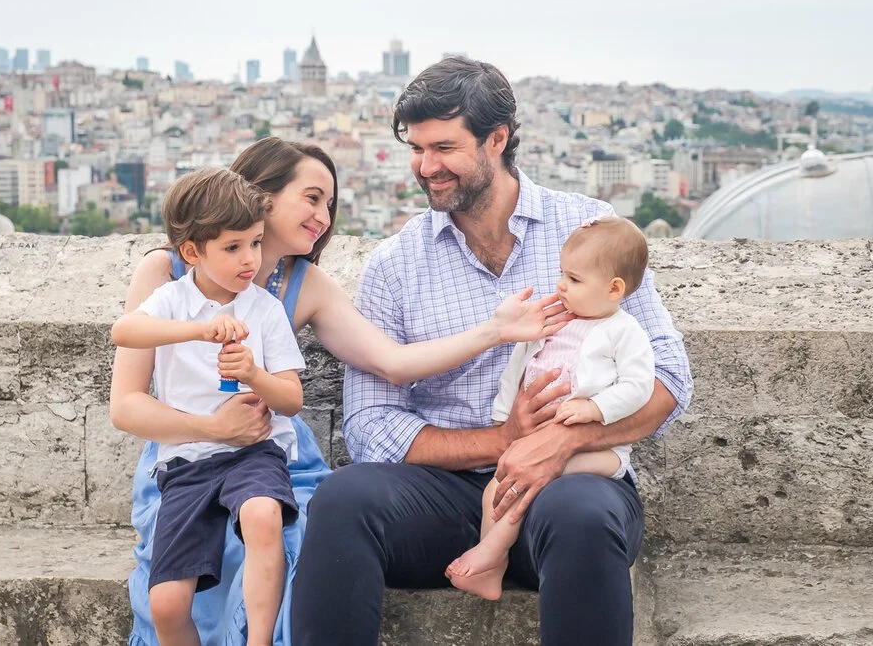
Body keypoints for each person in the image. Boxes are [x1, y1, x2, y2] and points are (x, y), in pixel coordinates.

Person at [290, 57, 693, 646]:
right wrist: (502, 443)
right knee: (343, 500)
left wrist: (558, 442)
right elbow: (371, 427)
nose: (426, 167)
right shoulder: (397, 263)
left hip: (568, 484)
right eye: (416, 148)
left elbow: (668, 381)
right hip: (447, 497)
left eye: (444, 147)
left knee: (583, 514)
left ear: (497, 139)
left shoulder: (588, 227)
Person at [110, 137, 573, 645]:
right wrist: (211, 427)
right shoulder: (167, 274)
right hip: (185, 454)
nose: (323, 217)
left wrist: (495, 330)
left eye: (330, 204)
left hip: (273, 457)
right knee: (198, 568)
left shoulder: (301, 284)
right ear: (261, 196)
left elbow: (393, 363)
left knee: (295, 534)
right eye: (312, 198)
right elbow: (127, 404)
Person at [112, 168, 308, 646]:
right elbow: (124, 331)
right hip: (187, 462)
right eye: (234, 247)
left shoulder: (262, 309)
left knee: (262, 514)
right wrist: (198, 329)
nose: (250, 260)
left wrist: (255, 375)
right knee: (166, 604)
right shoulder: (172, 301)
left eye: (256, 244)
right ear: (192, 252)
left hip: (254, 453)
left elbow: (292, 398)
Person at [447, 215, 656, 601]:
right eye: (563, 274)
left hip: (598, 454)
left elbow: (638, 386)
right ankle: (489, 566)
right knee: (497, 485)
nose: (561, 285)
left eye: (574, 280)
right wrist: (503, 415)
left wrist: (596, 408)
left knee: (524, 484)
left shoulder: (624, 331)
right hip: (531, 442)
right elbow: (518, 367)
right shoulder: (555, 322)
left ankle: (492, 552)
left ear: (614, 289)